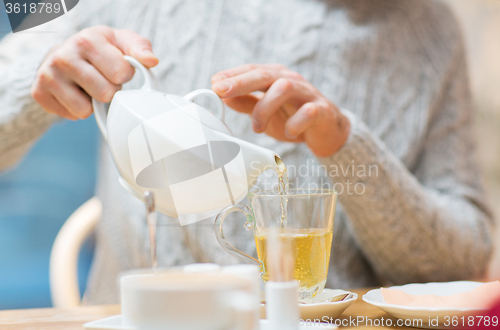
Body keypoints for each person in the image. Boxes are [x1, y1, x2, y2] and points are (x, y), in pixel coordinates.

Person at [0, 0, 494, 304]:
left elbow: (464, 258)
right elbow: (20, 40)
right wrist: (35, 79)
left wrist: (346, 147)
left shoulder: (433, 29)